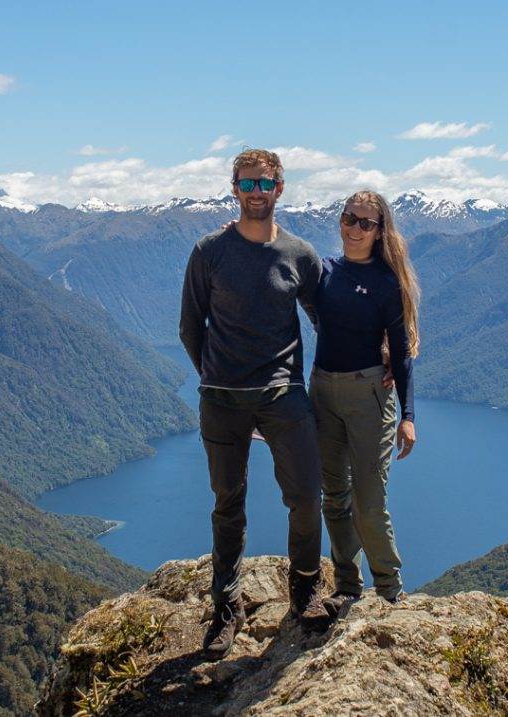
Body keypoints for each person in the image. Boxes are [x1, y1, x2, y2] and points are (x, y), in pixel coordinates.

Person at [179, 149, 329, 661]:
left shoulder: (300, 256)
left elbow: (325, 318)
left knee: (307, 496)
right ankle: (227, 608)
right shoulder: (208, 252)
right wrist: (216, 377)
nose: (256, 193)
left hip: (284, 396)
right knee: (228, 504)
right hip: (222, 400)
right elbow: (189, 325)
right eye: (247, 185)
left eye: (265, 184)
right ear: (234, 189)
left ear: (280, 188)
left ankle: (305, 587)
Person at [309, 190, 420, 613]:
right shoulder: (323, 271)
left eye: (365, 223)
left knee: (369, 502)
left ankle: (390, 589)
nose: (354, 228)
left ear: (379, 232)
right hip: (322, 391)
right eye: (348, 218)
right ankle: (347, 586)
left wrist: (407, 416)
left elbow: (402, 353)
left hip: (369, 394)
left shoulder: (386, 283)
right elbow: (276, 257)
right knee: (334, 496)